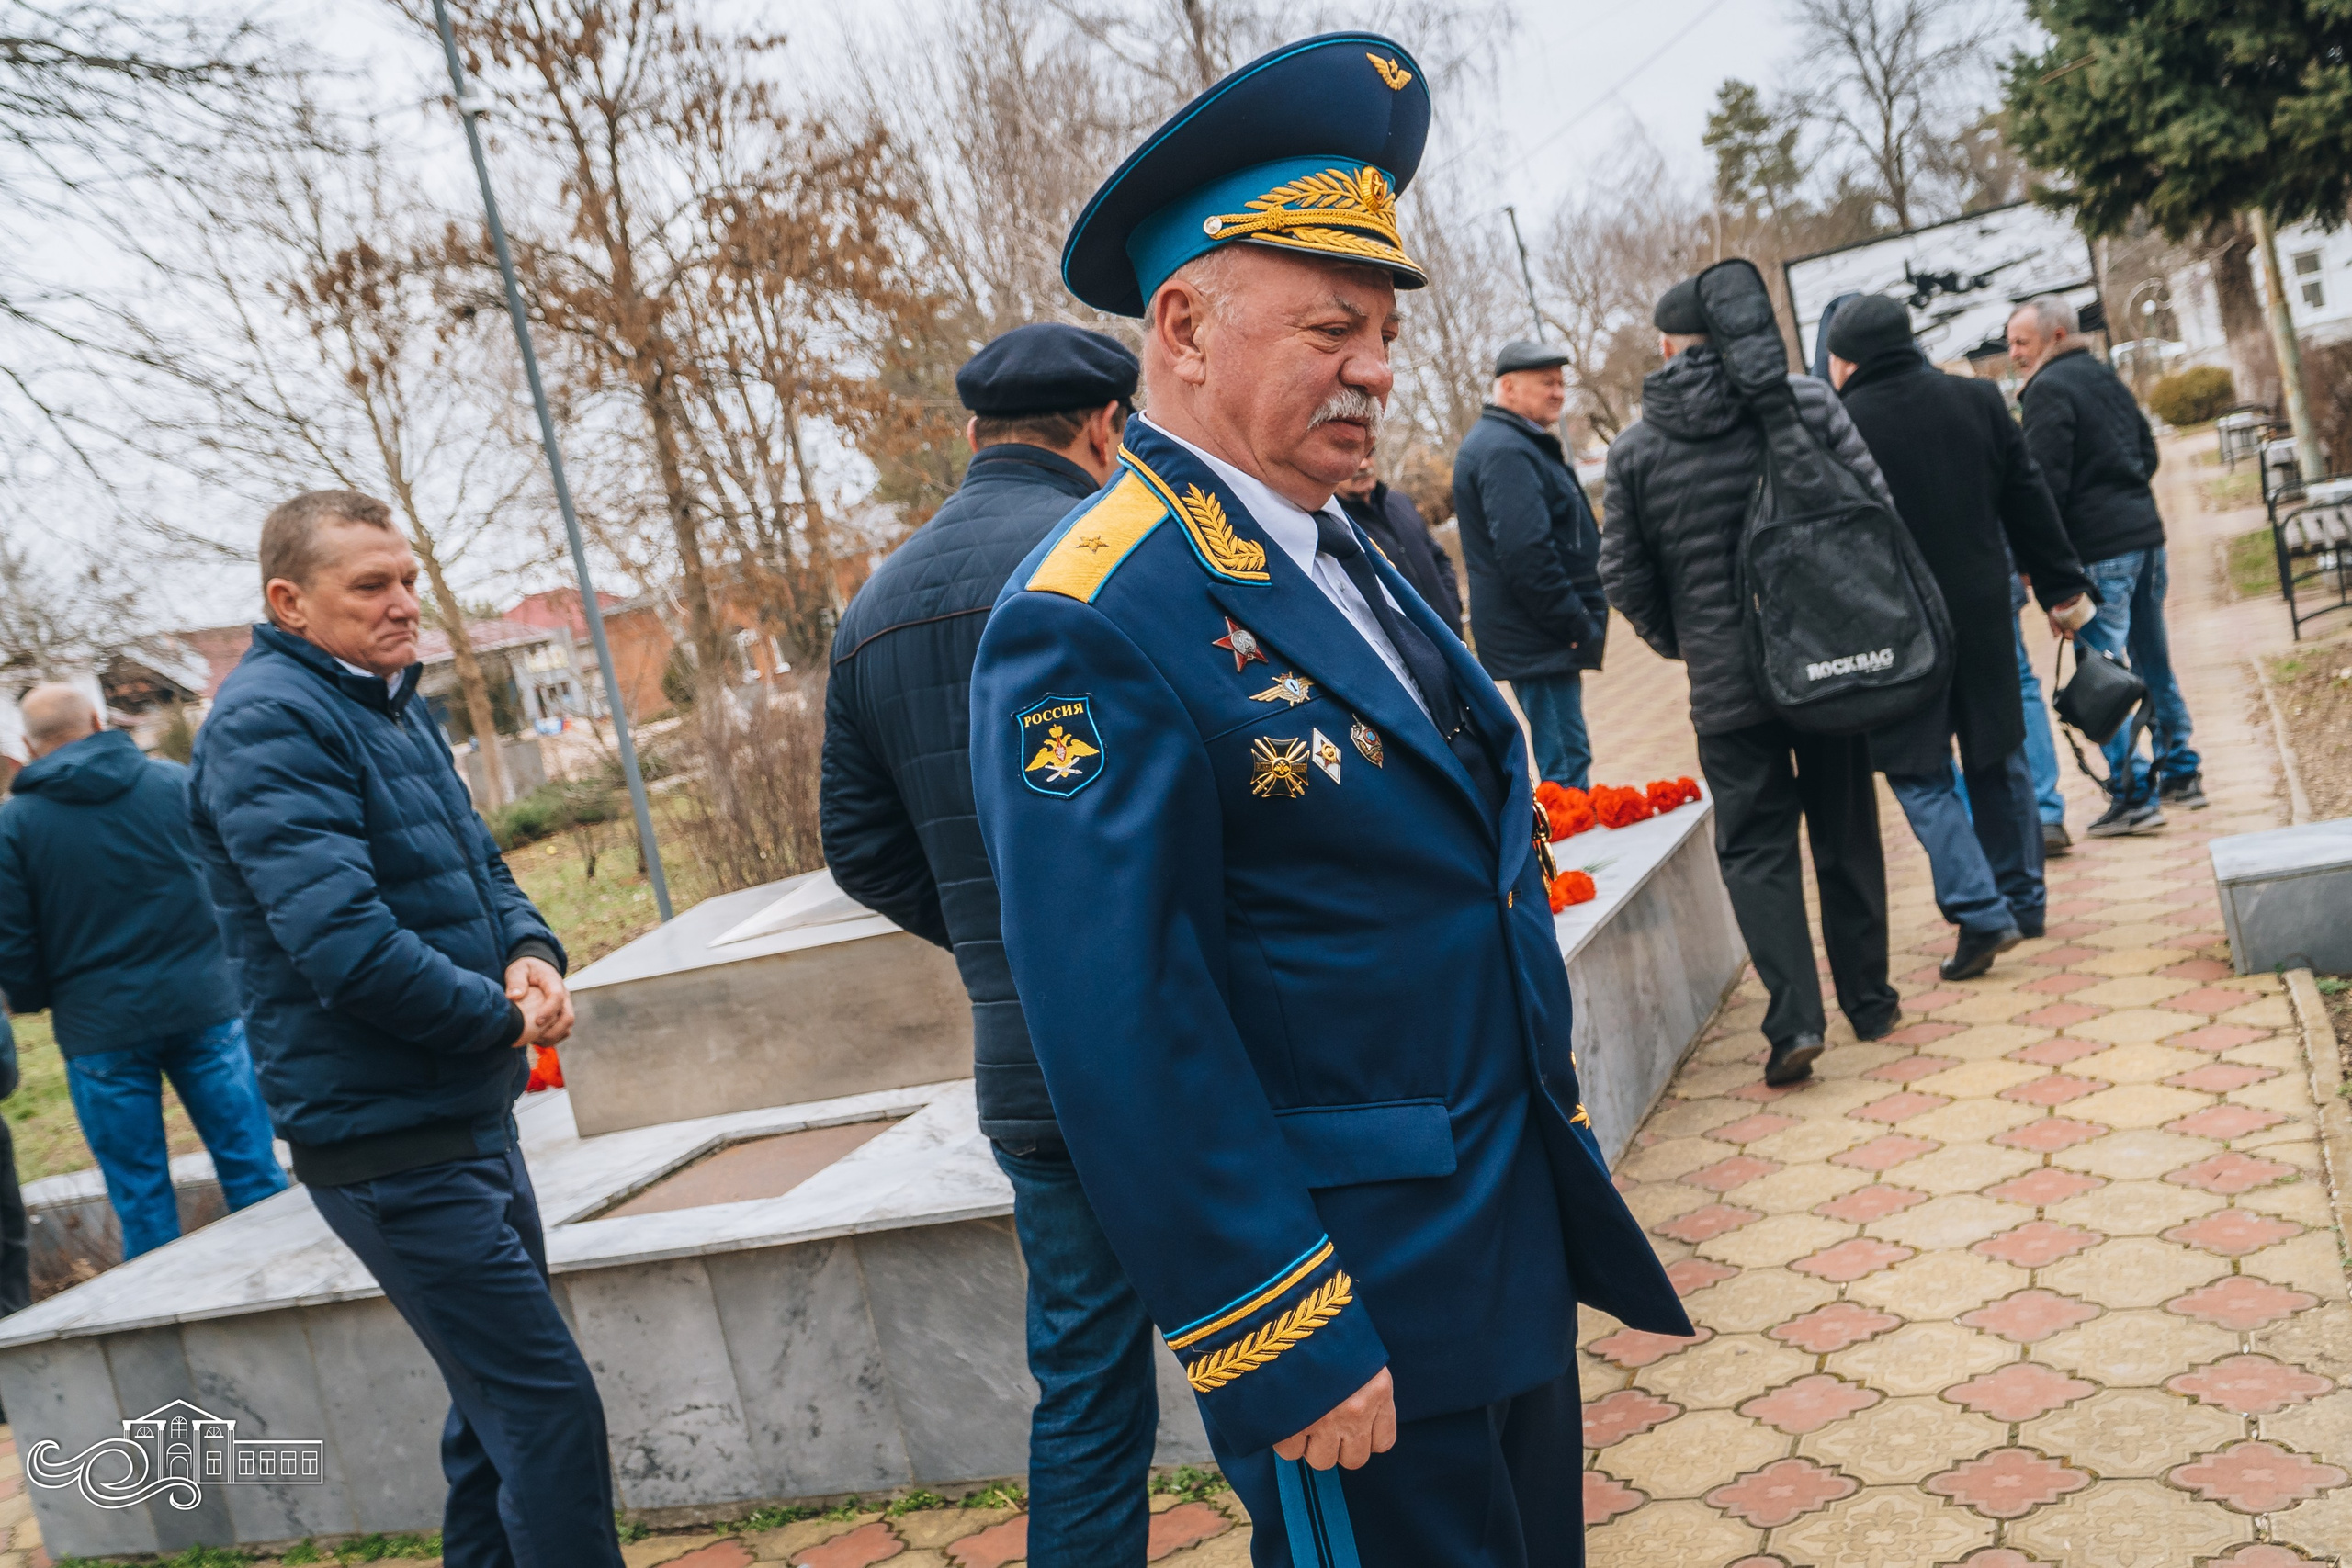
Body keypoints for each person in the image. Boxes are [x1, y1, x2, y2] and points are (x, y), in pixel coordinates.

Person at [970, 34, 1687, 1564]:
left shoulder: (1340, 537)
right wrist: (1274, 1327)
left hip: (1488, 1227)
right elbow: (1119, 1015)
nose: (1375, 366)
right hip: (1343, 1292)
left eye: (1379, 332)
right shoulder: (1089, 613)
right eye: (1328, 329)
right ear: (1179, 325)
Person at [187, 490, 622, 1568]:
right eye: (370, 586)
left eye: (409, 581)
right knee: (544, 1405)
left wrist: (532, 955)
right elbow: (345, 947)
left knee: (495, 1413)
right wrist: (502, 1019)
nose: (403, 605)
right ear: (289, 601)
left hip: (460, 1113)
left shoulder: (385, 702)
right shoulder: (266, 723)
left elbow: (479, 866)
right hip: (390, 1142)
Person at [820, 322, 1160, 1568]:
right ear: (1106, 428)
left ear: (970, 434)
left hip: (1026, 1060)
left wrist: (998, 933)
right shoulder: (1124, 557)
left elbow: (857, 846)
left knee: (1081, 1376)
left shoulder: (873, 607)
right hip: (1184, 1043)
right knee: (1273, 1347)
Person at [1600, 276, 1904, 1086]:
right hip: (1826, 666)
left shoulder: (1635, 449)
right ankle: (1869, 1000)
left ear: (1667, 349)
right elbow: (1876, 506)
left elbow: (1622, 576)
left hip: (1727, 688)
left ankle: (1794, 1018)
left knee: (1758, 850)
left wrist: (1689, 640)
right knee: (1846, 830)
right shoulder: (1802, 402)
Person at [1825, 296, 2098, 981]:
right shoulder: (1976, 402)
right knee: (1996, 748)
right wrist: (2063, 585)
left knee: (1918, 770)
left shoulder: (1839, 424)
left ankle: (1980, 911)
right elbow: (2026, 497)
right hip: (1981, 607)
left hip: (1893, 622)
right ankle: (2024, 900)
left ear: (1846, 358)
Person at [0, 683, 288, 1259]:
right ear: (98, 719)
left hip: (99, 1029)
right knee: (255, 1172)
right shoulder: (176, 784)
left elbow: (13, 940)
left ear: (31, 747)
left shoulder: (17, 826)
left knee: (140, 1199)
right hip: (208, 1004)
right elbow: (236, 881)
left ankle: (170, 1330)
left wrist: (36, 997)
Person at [2007, 294, 2203, 836]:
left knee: (2101, 671)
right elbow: (2148, 453)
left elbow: (2041, 489)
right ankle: (2181, 771)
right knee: (2151, 658)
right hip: (2145, 539)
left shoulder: (2047, 392)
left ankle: (2134, 793)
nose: (2013, 352)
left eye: (2021, 341)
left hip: (2099, 554)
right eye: (2010, 342)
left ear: (2056, 337)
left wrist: (2043, 571)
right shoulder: (2105, 379)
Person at [1452, 341, 1607, 790]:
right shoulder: (1506, 450)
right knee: (1566, 765)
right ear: (1509, 387)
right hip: (1539, 637)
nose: (1558, 392)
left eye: (1561, 383)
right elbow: (1526, 555)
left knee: (1568, 754)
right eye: (1546, 383)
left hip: (1538, 634)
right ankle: (1574, 853)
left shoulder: (1514, 441)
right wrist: (1574, 623)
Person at [1334, 451, 1462, 640]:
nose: (1363, 464)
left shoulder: (1400, 502)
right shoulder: (1338, 527)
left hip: (1453, 638)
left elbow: (1438, 558)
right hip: (1408, 653)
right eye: (1352, 455)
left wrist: (1451, 605)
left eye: (1368, 454)